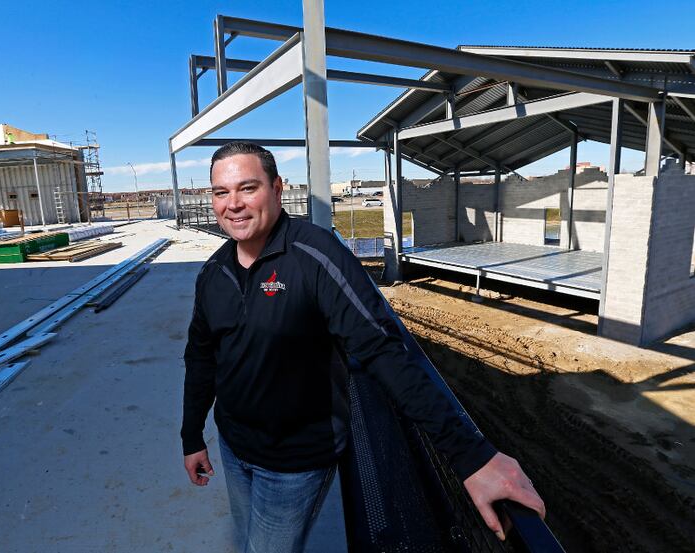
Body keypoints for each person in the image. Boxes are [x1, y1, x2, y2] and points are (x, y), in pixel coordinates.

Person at [181, 142, 545, 553]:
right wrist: (192, 435)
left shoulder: (315, 256)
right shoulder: (213, 273)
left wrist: (470, 455)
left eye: (247, 188)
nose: (233, 204)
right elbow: (201, 357)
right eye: (220, 192)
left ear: (278, 189)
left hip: (293, 463)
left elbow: (382, 350)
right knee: (247, 538)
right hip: (234, 446)